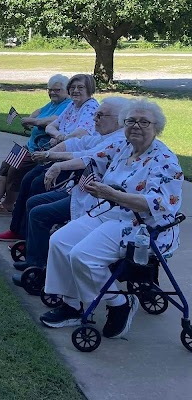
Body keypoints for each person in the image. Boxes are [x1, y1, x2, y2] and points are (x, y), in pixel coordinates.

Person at [38, 99, 182, 340]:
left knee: (82, 255)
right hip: (110, 213)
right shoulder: (124, 146)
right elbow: (91, 157)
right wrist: (57, 165)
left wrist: (114, 194)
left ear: (157, 127)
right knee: (60, 240)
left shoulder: (165, 160)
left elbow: (160, 203)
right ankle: (72, 305)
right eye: (131, 121)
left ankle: (119, 302)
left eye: (144, 122)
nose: (136, 126)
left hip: (142, 228)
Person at [10, 96, 130, 275]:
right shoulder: (105, 135)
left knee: (38, 212)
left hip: (95, 201)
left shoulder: (117, 140)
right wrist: (51, 153)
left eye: (100, 116)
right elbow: (77, 143)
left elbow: (88, 157)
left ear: (119, 120)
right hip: (81, 192)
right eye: (95, 115)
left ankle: (40, 268)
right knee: (34, 201)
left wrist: (55, 162)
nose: (94, 119)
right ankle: (35, 256)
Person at [0, 73, 99, 240]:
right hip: (55, 153)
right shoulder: (73, 105)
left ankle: (28, 232)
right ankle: (17, 229)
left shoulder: (90, 107)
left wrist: (61, 137)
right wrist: (59, 135)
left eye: (80, 87)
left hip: (70, 159)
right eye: (73, 87)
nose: (75, 91)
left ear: (90, 89)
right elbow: (51, 126)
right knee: (28, 179)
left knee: (36, 184)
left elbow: (82, 133)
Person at [0, 74, 71, 215]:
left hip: (41, 150)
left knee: (15, 171)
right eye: (50, 89)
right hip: (30, 146)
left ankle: (8, 204)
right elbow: (39, 111)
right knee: (5, 166)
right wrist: (31, 118)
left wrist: (32, 122)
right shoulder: (53, 103)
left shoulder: (68, 105)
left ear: (67, 90)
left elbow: (52, 120)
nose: (52, 93)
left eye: (57, 90)